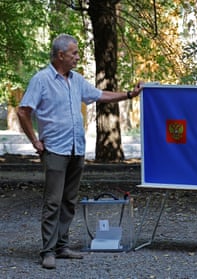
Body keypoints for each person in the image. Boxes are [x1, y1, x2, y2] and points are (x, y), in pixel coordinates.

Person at [16, 34, 143, 269]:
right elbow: (23, 110)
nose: (77, 57)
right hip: (54, 149)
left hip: (76, 148)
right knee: (53, 201)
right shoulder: (41, 80)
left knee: (69, 200)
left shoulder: (76, 80)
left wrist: (129, 95)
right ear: (60, 55)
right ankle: (47, 251)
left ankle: (62, 246)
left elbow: (100, 95)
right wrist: (34, 141)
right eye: (74, 53)